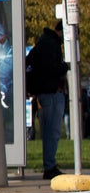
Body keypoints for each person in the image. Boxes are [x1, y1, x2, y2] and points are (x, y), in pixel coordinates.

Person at [25, 23, 68, 180]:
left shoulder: (44, 42)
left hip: (45, 93)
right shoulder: (50, 44)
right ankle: (49, 167)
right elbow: (51, 68)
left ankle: (50, 165)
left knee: (50, 132)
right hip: (50, 93)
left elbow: (29, 62)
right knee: (52, 132)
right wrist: (65, 66)